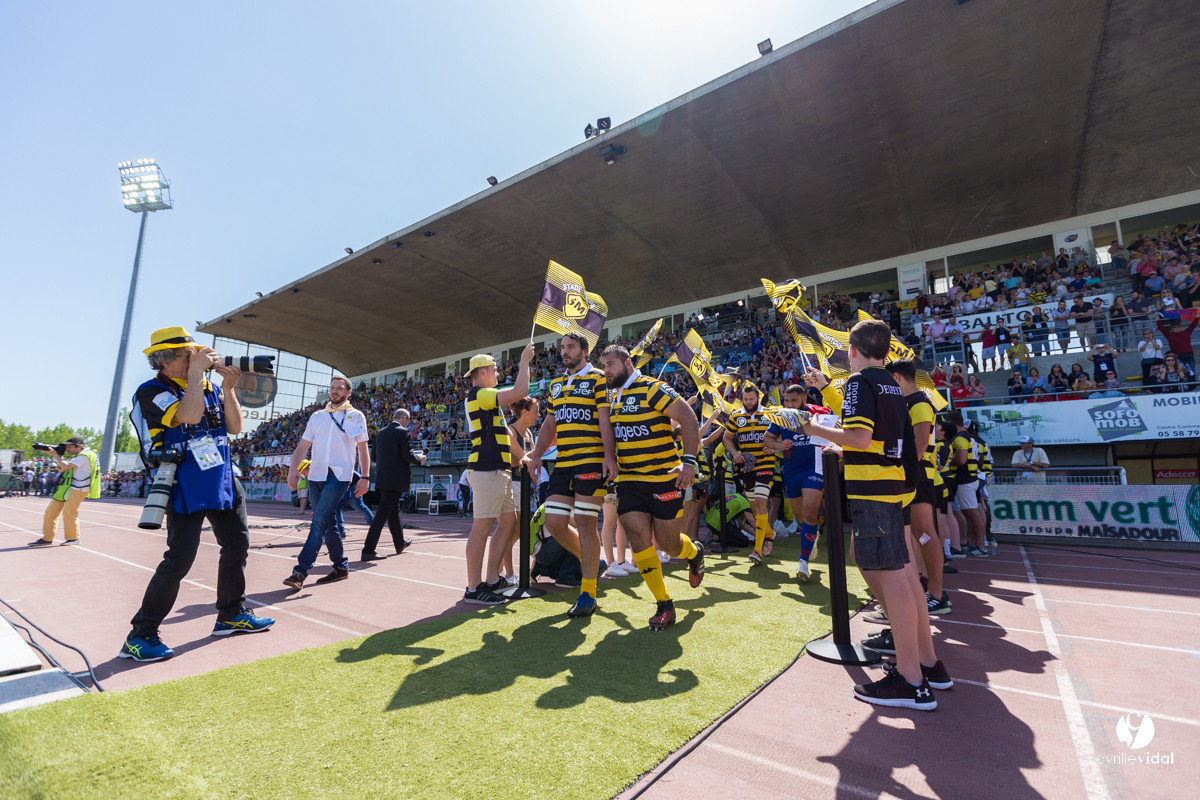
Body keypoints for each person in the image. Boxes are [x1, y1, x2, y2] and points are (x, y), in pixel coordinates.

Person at [800, 320, 948, 710]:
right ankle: (927, 665)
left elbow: (861, 437)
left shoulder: (860, 383)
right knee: (904, 577)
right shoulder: (893, 385)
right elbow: (881, 442)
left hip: (875, 492)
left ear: (851, 351)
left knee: (895, 579)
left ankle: (911, 679)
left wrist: (814, 427)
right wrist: (845, 449)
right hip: (893, 487)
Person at [120, 327, 273, 663]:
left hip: (221, 477)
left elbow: (234, 427)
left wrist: (228, 389)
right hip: (182, 480)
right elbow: (187, 415)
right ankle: (140, 634)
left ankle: (231, 613)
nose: (195, 358)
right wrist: (194, 378)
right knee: (180, 559)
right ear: (165, 359)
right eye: (187, 354)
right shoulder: (152, 391)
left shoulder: (207, 386)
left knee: (237, 545)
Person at [600, 344, 705, 631]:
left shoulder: (651, 388)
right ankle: (664, 604)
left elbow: (688, 417)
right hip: (630, 481)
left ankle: (694, 553)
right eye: (604, 365)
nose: (606, 370)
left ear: (628, 363)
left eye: (610, 364)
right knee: (637, 537)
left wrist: (689, 462)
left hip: (664, 478)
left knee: (670, 545)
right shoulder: (613, 396)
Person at [527, 333, 617, 618]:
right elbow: (549, 424)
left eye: (570, 347)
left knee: (585, 523)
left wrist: (608, 455)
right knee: (554, 523)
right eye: (562, 347)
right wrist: (537, 453)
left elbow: (605, 420)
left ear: (585, 350)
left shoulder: (599, 378)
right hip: (564, 462)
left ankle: (588, 593)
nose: (564, 352)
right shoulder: (555, 384)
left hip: (591, 461)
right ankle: (592, 561)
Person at [460, 345, 533, 605]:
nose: (497, 373)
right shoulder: (480, 394)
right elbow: (521, 392)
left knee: (508, 522)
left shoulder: (486, 398)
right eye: (493, 369)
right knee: (481, 528)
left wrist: (521, 456)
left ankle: (492, 579)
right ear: (481, 372)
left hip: (497, 470)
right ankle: (473, 588)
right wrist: (524, 361)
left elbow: (503, 433)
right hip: (486, 469)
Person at [284, 376, 372, 589]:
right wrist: (293, 470)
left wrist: (366, 477)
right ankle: (340, 567)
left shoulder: (356, 416)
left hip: (339, 476)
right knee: (330, 522)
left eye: (340, 388)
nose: (335, 391)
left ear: (348, 393)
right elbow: (303, 445)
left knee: (319, 521)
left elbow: (362, 449)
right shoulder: (317, 416)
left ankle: (300, 571)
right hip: (316, 475)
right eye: (332, 388)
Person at [762, 384, 828, 580]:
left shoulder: (816, 413)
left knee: (809, 512)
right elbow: (767, 439)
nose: (790, 404)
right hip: (791, 470)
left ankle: (803, 562)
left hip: (814, 468)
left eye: (794, 401)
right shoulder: (781, 416)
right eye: (787, 401)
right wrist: (779, 445)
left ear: (803, 400)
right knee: (801, 518)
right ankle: (812, 535)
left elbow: (834, 426)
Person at [723, 383, 780, 566]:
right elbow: (726, 438)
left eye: (752, 399)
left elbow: (782, 435)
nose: (748, 402)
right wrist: (734, 453)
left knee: (762, 502)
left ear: (758, 398)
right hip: (746, 467)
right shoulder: (735, 416)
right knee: (756, 508)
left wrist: (774, 446)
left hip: (765, 464)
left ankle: (757, 549)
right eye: (746, 399)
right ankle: (769, 533)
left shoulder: (770, 414)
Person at [361, 409, 426, 561]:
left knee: (393, 512)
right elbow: (407, 455)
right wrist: (419, 459)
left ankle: (399, 543)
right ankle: (368, 550)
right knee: (382, 515)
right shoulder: (403, 432)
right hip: (396, 480)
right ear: (404, 418)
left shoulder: (380, 433)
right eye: (408, 421)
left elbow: (375, 457)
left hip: (383, 478)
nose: (408, 424)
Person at [32, 437, 100, 546]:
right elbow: (61, 468)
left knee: (69, 512)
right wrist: (58, 456)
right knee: (50, 512)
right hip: (67, 487)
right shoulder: (81, 456)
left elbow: (65, 466)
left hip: (78, 488)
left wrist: (55, 454)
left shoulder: (84, 456)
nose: (67, 449)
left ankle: (73, 537)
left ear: (80, 446)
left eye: (70, 446)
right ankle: (47, 538)